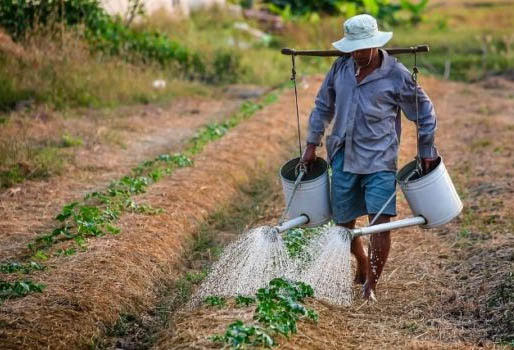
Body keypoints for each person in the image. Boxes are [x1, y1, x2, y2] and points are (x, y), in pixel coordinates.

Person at [301, 14, 439, 301]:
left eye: (364, 48)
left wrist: (426, 150)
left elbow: (424, 112)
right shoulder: (340, 68)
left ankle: (370, 287)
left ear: (376, 44)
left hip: (380, 160)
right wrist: (311, 144)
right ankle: (361, 261)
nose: (359, 54)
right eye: (354, 48)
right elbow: (323, 106)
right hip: (343, 156)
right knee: (344, 226)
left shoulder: (396, 74)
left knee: (380, 222)